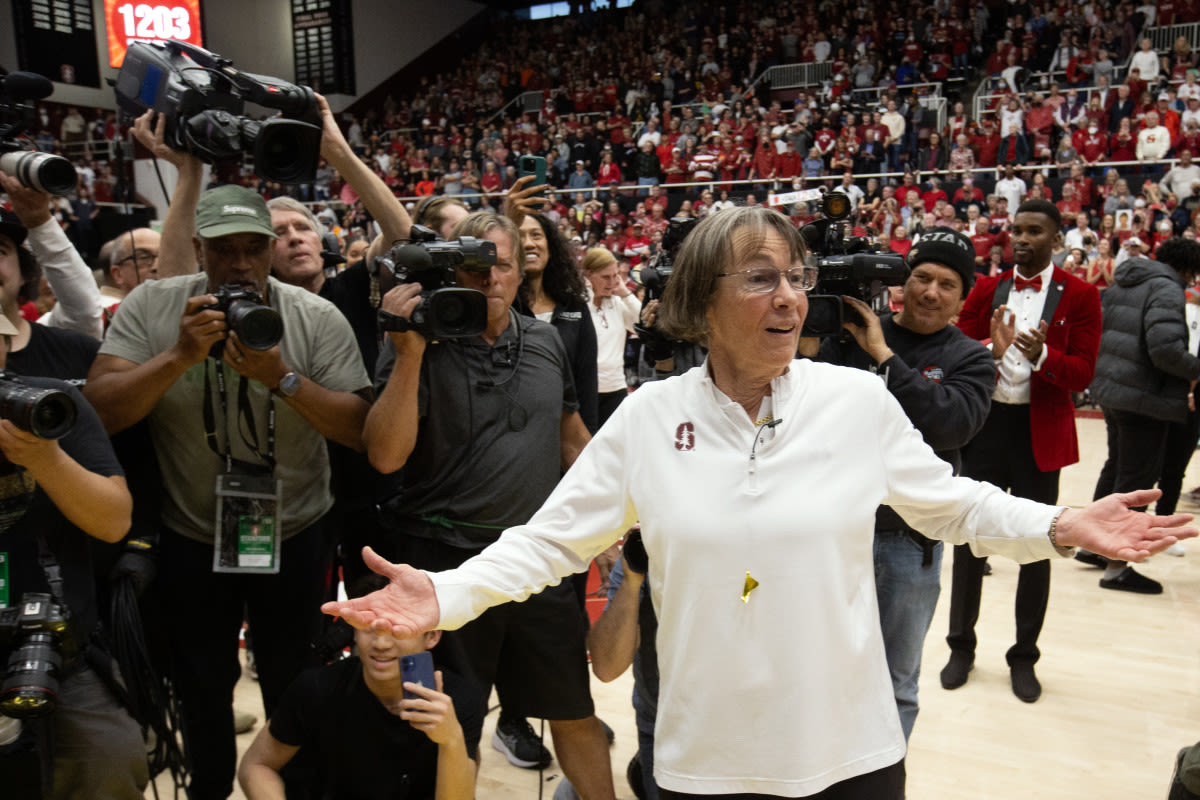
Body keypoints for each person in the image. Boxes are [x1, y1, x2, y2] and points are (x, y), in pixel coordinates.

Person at [326, 205, 1192, 800]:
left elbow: (952, 505)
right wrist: (444, 593)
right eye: (760, 278)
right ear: (703, 302)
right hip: (708, 761)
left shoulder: (854, 405)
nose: (789, 297)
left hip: (847, 751)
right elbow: (544, 546)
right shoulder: (649, 419)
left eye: (796, 277)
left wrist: (1057, 523)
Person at [82, 185, 372, 800]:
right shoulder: (154, 306)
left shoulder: (315, 316)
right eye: (224, 250)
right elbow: (99, 412)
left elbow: (358, 432)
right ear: (198, 248)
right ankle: (208, 787)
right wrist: (180, 356)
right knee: (200, 682)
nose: (240, 264)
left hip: (297, 526)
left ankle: (293, 787)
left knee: (295, 679)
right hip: (191, 530)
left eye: (253, 249)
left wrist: (283, 378)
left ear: (270, 249)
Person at [364, 211, 613, 800]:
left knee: (574, 712)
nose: (490, 279)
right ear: (453, 270)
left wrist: (618, 520)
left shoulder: (548, 339)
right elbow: (384, 456)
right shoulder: (416, 339)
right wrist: (408, 355)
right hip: (437, 561)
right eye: (474, 266)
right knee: (443, 723)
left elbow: (573, 439)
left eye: (501, 264)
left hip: (533, 562)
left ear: (519, 271)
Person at [808, 229, 994, 740]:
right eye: (922, 277)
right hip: (834, 529)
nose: (931, 291)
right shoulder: (849, 333)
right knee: (819, 670)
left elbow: (952, 425)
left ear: (963, 296)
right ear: (902, 282)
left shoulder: (970, 358)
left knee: (894, 680)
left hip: (908, 542)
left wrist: (885, 357)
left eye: (947, 284)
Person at [0, 211, 144, 800]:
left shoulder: (50, 403)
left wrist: (45, 459)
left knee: (114, 761)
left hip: (54, 640)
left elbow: (114, 519)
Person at [941, 199, 1102, 704]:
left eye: (1035, 231)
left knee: (1039, 546)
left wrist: (1043, 355)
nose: (1024, 238)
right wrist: (990, 350)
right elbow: (952, 354)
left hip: (1039, 437)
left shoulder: (1080, 295)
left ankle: (1024, 657)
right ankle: (960, 648)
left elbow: (1083, 373)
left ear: (1057, 240)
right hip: (984, 429)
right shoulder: (986, 289)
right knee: (969, 543)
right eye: (1018, 230)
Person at [237, 574, 482, 800]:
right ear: (353, 631)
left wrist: (451, 739)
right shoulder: (317, 689)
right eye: (369, 627)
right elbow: (256, 766)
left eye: (397, 629)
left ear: (432, 635)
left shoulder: (460, 701)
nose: (382, 643)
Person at [1080, 237, 1200, 592]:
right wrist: (1196, 368)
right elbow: (1165, 350)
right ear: (1187, 269)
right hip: (1144, 397)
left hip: (1113, 391)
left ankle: (1092, 545)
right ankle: (1117, 567)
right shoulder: (1166, 289)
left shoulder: (1125, 280)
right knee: (1136, 482)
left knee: (1116, 467)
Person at [583, 247, 640, 425]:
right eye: (606, 277)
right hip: (587, 388)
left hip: (616, 386)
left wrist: (626, 294)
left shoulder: (617, 303)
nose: (612, 282)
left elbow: (641, 324)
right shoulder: (579, 305)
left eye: (616, 276)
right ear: (589, 275)